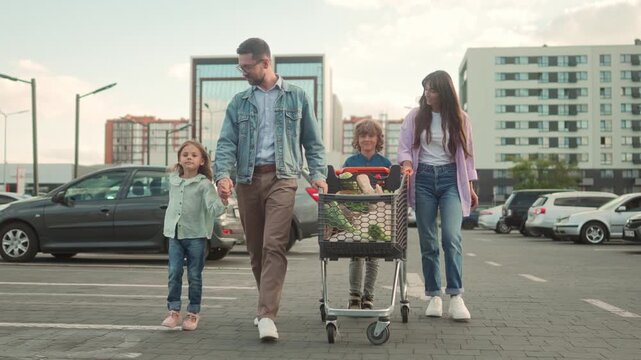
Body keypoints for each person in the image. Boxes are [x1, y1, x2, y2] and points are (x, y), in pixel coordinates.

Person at [214, 37, 328, 341]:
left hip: (283, 177)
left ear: (266, 62)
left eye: (248, 66)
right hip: (247, 180)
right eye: (241, 67)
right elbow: (226, 143)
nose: (243, 73)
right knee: (254, 251)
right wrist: (222, 175)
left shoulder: (297, 97)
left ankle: (267, 315)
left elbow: (313, 142)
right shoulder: (239, 102)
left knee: (274, 244)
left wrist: (318, 174)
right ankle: (265, 304)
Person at [397, 70, 478, 321]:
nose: (426, 94)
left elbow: (468, 154)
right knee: (428, 241)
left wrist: (471, 187)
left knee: (451, 237)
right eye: (425, 89)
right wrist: (407, 165)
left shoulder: (460, 118)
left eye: (431, 89)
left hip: (451, 180)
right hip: (422, 180)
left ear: (443, 91)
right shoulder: (415, 116)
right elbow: (404, 147)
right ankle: (433, 294)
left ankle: (456, 296)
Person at [161, 140, 226, 331]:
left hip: (196, 235)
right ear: (179, 159)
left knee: (194, 275)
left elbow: (214, 210)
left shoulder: (204, 185)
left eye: (194, 155)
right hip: (174, 234)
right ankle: (173, 311)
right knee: (174, 273)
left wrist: (223, 198)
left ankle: (192, 313)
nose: (189, 157)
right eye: (185, 154)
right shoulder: (173, 180)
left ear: (202, 161)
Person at [342, 119, 391, 310]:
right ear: (357, 139)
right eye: (363, 136)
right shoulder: (350, 163)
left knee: (373, 256)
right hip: (356, 213)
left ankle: (368, 295)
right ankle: (355, 294)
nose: (367, 139)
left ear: (378, 138)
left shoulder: (385, 164)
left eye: (371, 135)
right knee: (356, 254)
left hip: (378, 215)